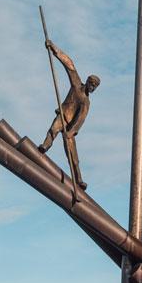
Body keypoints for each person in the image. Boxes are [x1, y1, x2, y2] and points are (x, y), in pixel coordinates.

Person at [39, 39, 100, 191]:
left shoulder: (86, 103)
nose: (92, 88)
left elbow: (80, 119)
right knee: (53, 129)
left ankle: (78, 179)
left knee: (73, 155)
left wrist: (71, 133)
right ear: (87, 82)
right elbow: (69, 65)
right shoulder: (76, 84)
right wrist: (54, 49)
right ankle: (45, 146)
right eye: (92, 84)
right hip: (63, 116)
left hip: (70, 128)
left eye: (95, 87)